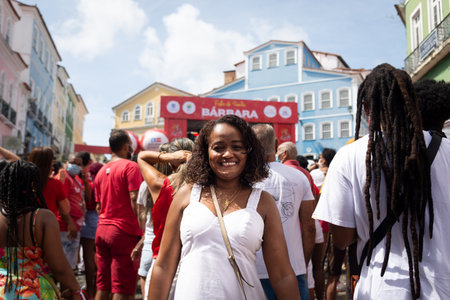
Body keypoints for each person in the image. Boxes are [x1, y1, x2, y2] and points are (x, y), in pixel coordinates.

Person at [313, 63, 450, 299]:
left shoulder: (348, 156)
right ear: (412, 103)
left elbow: (343, 239)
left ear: (366, 109)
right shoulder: (446, 149)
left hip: (383, 287)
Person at [148, 115, 300, 300]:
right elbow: (163, 266)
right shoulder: (186, 194)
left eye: (237, 147)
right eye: (218, 148)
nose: (228, 154)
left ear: (249, 152)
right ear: (206, 152)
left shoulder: (262, 202)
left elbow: (282, 275)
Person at [0, 159, 81, 299]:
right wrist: (76, 290)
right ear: (33, 185)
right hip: (33, 291)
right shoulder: (43, 218)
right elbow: (59, 267)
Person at [252, 126, 315, 300]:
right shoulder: (299, 177)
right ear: (276, 144)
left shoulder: (244, 179)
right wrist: (303, 262)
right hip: (293, 267)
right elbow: (309, 226)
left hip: (253, 270)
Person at [136, 138, 194, 298]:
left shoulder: (161, 184)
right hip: (192, 266)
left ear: (172, 162)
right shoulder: (204, 186)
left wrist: (167, 156)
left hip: (161, 263)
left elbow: (141, 156)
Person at [94, 130, 143, 300]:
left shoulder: (101, 171)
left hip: (102, 230)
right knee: (122, 289)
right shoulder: (130, 166)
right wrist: (142, 229)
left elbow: (98, 206)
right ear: (125, 146)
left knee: (103, 286)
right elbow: (134, 197)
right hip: (123, 232)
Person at [277, 141, 325, 300]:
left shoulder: (283, 173)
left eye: (278, 152)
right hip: (313, 223)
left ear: (284, 154)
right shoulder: (306, 173)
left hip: (299, 228)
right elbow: (316, 197)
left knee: (302, 271)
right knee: (315, 270)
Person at [28, 147, 77, 241]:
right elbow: (66, 209)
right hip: (46, 231)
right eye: (52, 162)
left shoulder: (22, 182)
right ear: (48, 165)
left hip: (24, 232)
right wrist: (60, 184)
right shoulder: (54, 184)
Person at [58, 154, 86, 274]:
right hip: (66, 227)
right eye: (74, 162)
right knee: (63, 266)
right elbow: (60, 202)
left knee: (70, 266)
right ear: (66, 162)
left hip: (75, 225)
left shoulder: (76, 179)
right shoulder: (63, 176)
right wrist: (70, 223)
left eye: (79, 164)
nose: (77, 166)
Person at [81, 161, 103, 299]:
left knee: (88, 256)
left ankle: (90, 290)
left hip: (88, 219)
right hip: (100, 219)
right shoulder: (102, 183)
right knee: (99, 256)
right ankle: (98, 288)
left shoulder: (89, 184)